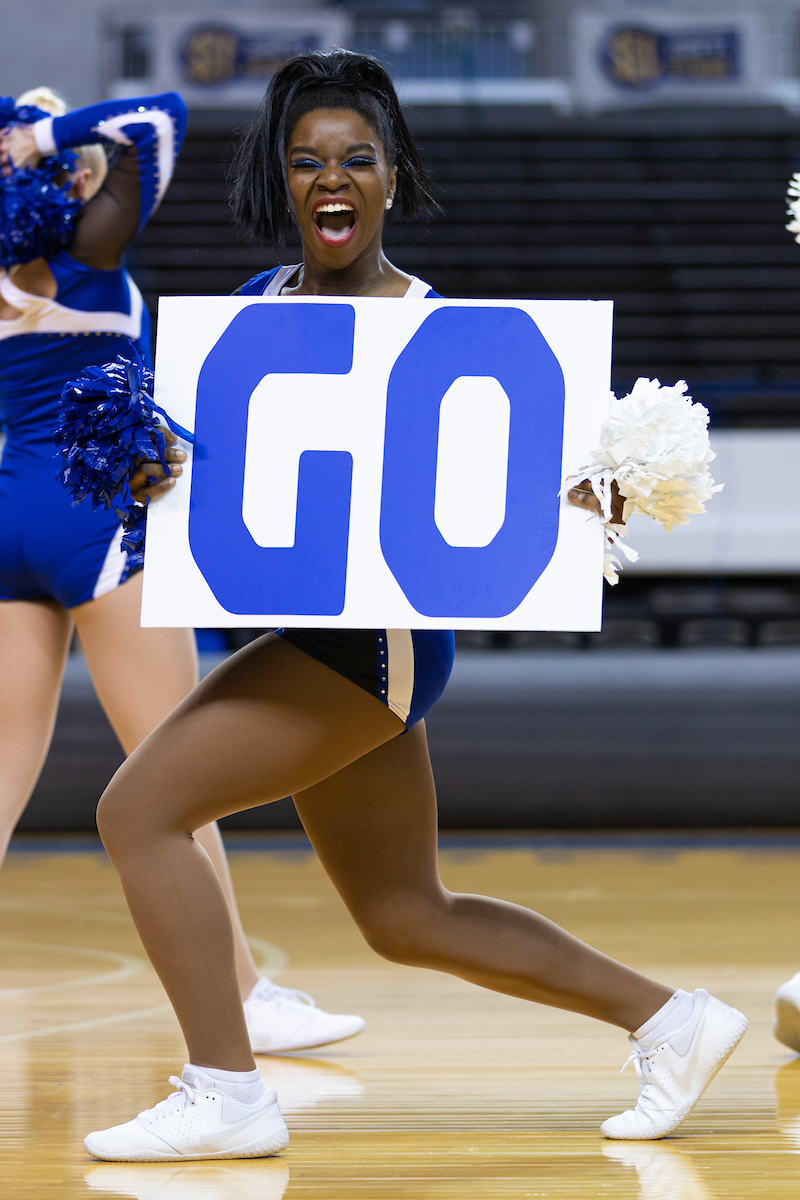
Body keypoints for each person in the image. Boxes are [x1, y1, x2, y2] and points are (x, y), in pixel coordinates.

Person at [83, 50, 748, 1163]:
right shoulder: (254, 310)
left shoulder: (445, 329)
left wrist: (590, 486)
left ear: (392, 177)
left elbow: (523, 491)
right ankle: (672, 1020)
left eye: (354, 159)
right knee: (404, 917)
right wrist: (153, 471)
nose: (328, 179)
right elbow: (212, 489)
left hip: (368, 654)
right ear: (280, 182)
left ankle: (226, 1090)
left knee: (136, 812)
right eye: (305, 161)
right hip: (311, 639)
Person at [0, 86, 363, 1055]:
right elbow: (154, 119)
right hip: (98, 522)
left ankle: (247, 996)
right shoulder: (90, 252)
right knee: (173, 771)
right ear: (46, 172)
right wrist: (45, 131)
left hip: (6, 517)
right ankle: (245, 997)